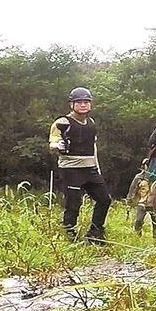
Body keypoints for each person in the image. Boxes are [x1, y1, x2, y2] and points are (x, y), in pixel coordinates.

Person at [48, 87, 112, 244]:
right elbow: (53, 143)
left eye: (86, 102)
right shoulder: (62, 122)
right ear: (71, 104)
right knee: (74, 202)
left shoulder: (91, 123)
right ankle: (69, 233)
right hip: (70, 168)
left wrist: (97, 168)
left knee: (105, 199)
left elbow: (93, 147)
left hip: (90, 167)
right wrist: (58, 146)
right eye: (79, 102)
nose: (83, 105)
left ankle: (95, 232)